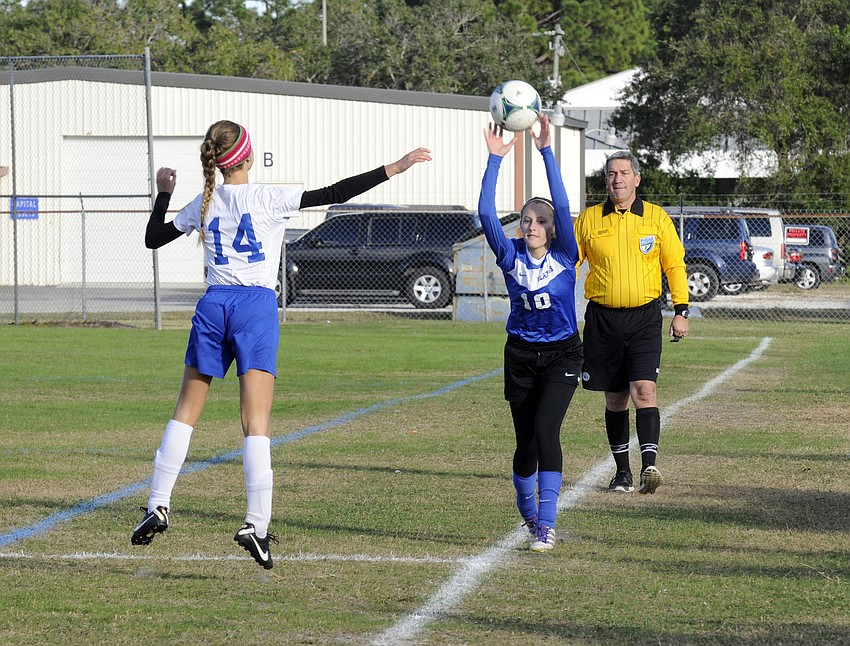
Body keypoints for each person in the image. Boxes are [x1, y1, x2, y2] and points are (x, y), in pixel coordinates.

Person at [133, 120, 431, 569]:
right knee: (256, 423)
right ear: (248, 157)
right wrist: (397, 166)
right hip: (254, 307)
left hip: (213, 304)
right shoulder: (269, 197)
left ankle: (158, 503)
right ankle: (255, 523)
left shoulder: (205, 201)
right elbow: (336, 192)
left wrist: (162, 192)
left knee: (185, 412)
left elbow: (153, 238)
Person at [478, 115, 582, 552]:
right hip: (520, 354)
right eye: (526, 219)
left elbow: (559, 201)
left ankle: (547, 523)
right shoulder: (510, 253)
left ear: (553, 226)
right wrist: (495, 160)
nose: (532, 225)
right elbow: (485, 212)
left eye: (540, 220)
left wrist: (545, 149)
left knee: (546, 432)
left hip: (562, 354)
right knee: (525, 443)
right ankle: (528, 511)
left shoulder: (565, 253)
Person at [573, 150, 689, 495]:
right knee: (615, 398)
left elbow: (674, 265)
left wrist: (681, 310)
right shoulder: (589, 220)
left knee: (645, 390)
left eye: (624, 172)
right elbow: (569, 265)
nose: (617, 179)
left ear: (637, 178)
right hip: (603, 319)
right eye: (611, 173)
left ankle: (649, 466)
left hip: (644, 318)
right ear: (605, 180)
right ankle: (622, 473)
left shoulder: (655, 218)